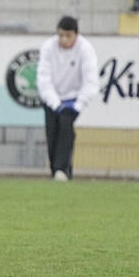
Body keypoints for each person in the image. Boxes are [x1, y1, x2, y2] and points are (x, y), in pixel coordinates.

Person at [36, 16, 98, 181]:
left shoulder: (85, 49)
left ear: (76, 34)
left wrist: (78, 104)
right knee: (52, 134)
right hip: (52, 98)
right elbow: (43, 79)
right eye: (61, 35)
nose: (64, 40)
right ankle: (57, 170)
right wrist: (56, 104)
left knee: (65, 127)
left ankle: (61, 170)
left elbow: (90, 81)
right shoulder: (48, 47)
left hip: (73, 100)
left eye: (68, 36)